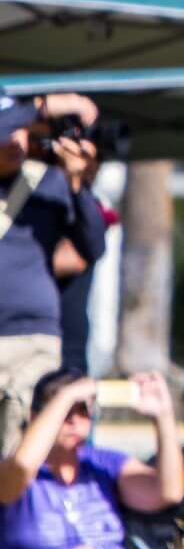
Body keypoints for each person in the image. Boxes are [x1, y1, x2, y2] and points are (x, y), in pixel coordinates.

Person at [0, 370, 181, 549]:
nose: (75, 420)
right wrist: (69, 394)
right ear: (36, 417)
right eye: (65, 413)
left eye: (82, 410)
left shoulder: (102, 464)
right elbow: (20, 468)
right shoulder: (15, 475)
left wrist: (163, 415)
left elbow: (169, 491)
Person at [0, 100, 107, 458]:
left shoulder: (45, 182)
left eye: (22, 131)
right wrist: (46, 106)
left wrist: (78, 185)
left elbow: (93, 246)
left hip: (34, 338)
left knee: (27, 452)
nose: (16, 139)